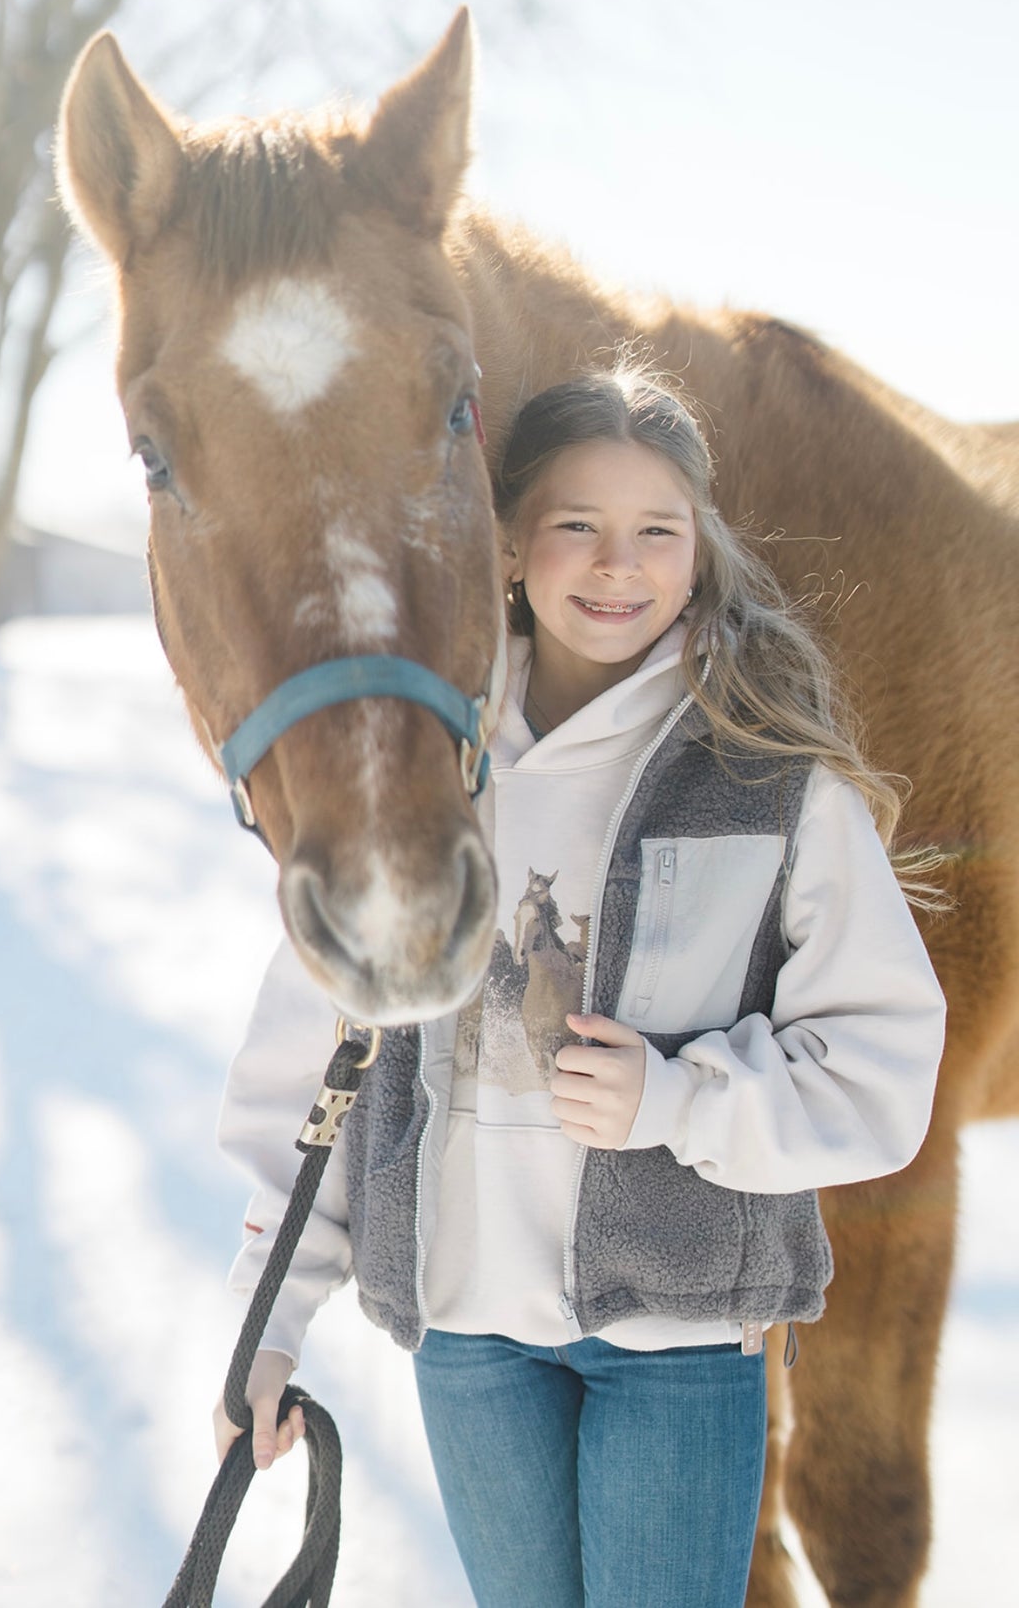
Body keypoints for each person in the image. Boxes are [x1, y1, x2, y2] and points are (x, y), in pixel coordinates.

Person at [214, 368, 946, 1608]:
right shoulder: (416, 779)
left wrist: (677, 1098)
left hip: (677, 1344)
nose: (619, 563)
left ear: (700, 550)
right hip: (469, 1341)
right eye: (577, 524)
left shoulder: (771, 781)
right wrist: (267, 1324)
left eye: (658, 528)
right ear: (508, 544)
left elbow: (879, 1071)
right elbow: (319, 1064)